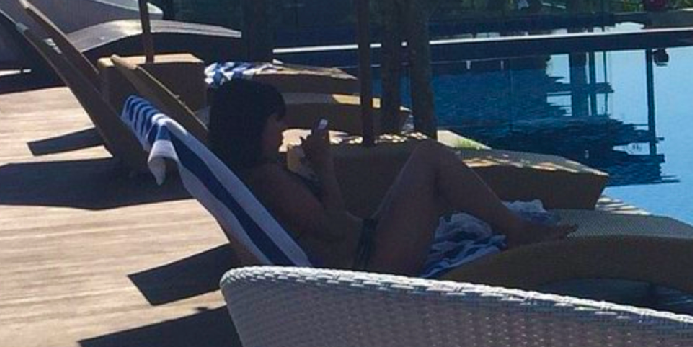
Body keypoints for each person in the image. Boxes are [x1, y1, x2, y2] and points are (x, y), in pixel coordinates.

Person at [206, 79, 573, 275]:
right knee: (430, 158)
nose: (284, 128)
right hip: (373, 265)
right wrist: (324, 168)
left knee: (431, 171)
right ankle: (516, 229)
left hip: (367, 244)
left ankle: (508, 224)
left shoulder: (254, 176)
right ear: (251, 127)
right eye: (276, 120)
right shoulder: (268, 179)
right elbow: (333, 227)